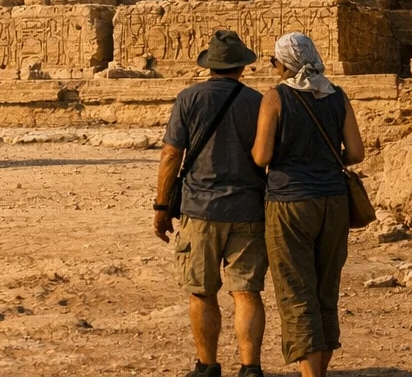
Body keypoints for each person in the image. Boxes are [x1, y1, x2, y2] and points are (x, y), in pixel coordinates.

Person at [154, 30, 267, 377]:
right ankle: (250, 368)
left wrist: (161, 207)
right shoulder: (259, 101)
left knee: (202, 292)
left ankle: (207, 365)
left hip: (200, 209)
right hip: (249, 207)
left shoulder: (189, 98)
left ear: (210, 66)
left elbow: (172, 154)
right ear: (241, 67)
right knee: (246, 291)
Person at [251, 32, 365, 377]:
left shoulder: (275, 97)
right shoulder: (337, 95)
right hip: (334, 200)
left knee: (295, 289)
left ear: (283, 64)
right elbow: (357, 153)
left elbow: (262, 156)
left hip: (290, 203)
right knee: (325, 287)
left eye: (274, 62)